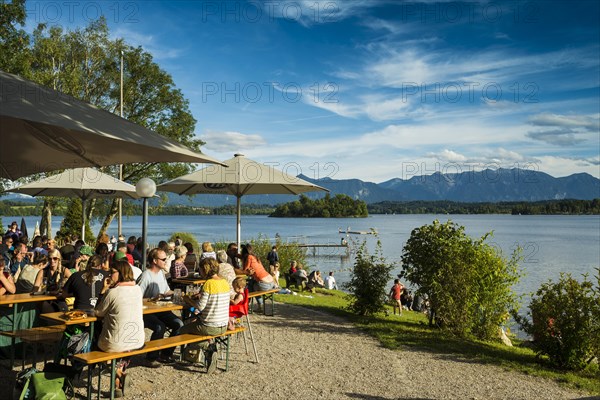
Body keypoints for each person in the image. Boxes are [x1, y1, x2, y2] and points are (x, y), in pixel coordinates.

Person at [95, 260, 145, 397]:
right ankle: (117, 384)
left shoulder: (113, 292)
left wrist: (103, 290)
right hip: (137, 340)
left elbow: (98, 312)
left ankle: (119, 374)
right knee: (119, 345)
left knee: (99, 342)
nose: (109, 275)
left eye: (112, 272)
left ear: (121, 273)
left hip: (116, 342)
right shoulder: (138, 289)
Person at [181, 258, 230, 373]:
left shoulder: (208, 284)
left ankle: (207, 348)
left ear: (205, 269)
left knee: (181, 331)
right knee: (192, 329)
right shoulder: (224, 282)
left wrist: (187, 299)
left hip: (209, 325)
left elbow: (200, 307)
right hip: (223, 324)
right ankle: (203, 351)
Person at [137, 248, 183, 367]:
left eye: (166, 259)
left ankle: (166, 354)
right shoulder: (145, 276)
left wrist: (179, 294)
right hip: (146, 312)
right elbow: (135, 298)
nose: (166, 261)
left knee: (179, 324)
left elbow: (166, 291)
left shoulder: (161, 274)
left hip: (161, 310)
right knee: (160, 327)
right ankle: (151, 357)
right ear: (154, 261)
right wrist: (151, 299)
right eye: (163, 259)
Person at [241, 244, 276, 311]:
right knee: (252, 284)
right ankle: (254, 305)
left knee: (250, 287)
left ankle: (248, 305)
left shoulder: (249, 257)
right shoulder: (256, 257)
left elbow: (245, 270)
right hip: (271, 282)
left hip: (264, 284)